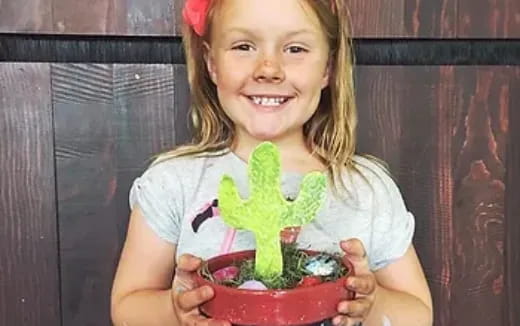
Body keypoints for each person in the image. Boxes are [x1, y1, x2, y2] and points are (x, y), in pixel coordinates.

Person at [110, 0, 433, 325]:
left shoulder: (367, 189)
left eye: (295, 49)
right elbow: (127, 306)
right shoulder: (172, 183)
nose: (268, 69)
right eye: (243, 46)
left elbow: (418, 313)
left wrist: (371, 302)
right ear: (211, 63)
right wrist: (174, 309)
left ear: (328, 68)